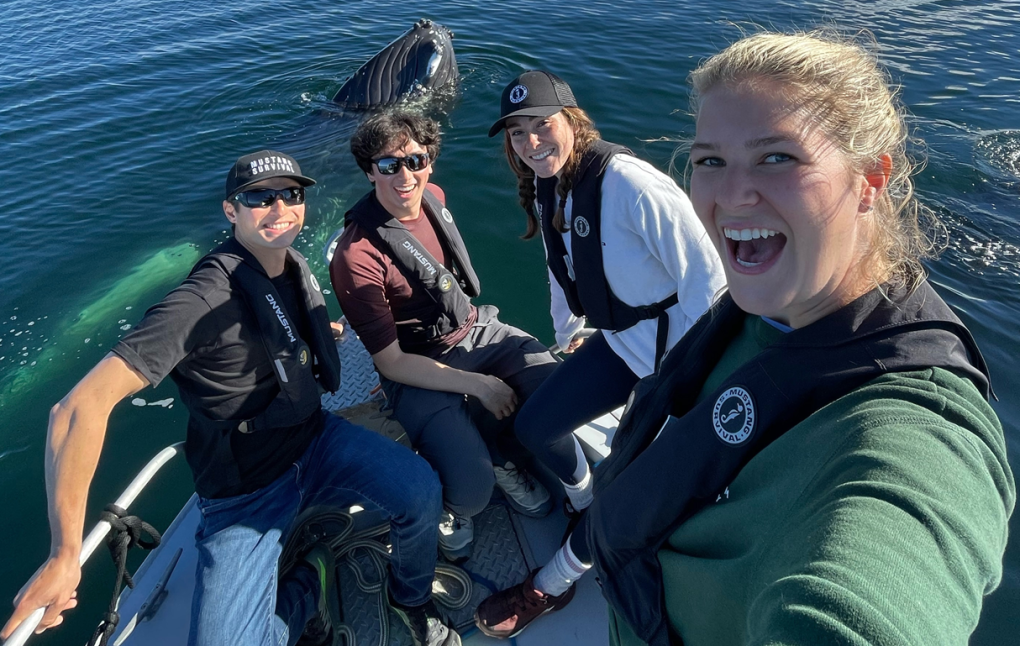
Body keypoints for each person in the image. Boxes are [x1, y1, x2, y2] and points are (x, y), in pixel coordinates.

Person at [582, 31, 1014, 646]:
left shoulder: (916, 428)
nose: (732, 195)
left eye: (777, 157)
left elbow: (875, 584)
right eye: (710, 161)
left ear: (869, 181)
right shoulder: (761, 310)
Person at [1, 150, 460, 646]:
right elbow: (75, 409)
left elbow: (274, 329)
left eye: (290, 194)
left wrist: (312, 335)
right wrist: (64, 554)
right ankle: (310, 582)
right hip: (246, 490)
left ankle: (410, 597)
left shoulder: (288, 263)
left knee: (421, 492)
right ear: (230, 210)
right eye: (258, 197)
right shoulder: (200, 299)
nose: (278, 207)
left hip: (315, 439)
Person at [473, 71, 725, 637]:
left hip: (673, 360)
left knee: (629, 485)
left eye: (542, 127)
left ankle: (550, 585)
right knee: (536, 427)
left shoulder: (631, 185)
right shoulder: (549, 184)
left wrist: (680, 380)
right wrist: (570, 334)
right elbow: (560, 272)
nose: (531, 143)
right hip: (616, 344)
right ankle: (585, 503)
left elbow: (708, 286)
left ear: (573, 121)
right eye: (517, 134)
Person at [329, 112, 559, 563]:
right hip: (413, 363)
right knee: (473, 494)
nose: (405, 176)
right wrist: (479, 385)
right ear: (369, 170)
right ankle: (454, 503)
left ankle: (498, 451)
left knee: (553, 387)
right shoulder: (356, 256)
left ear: (430, 161)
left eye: (415, 159)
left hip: (471, 328)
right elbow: (391, 362)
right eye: (389, 165)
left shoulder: (433, 196)